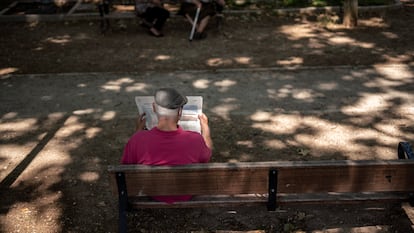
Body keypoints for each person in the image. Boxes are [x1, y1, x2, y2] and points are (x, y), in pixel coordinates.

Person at [121, 88, 213, 203]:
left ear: (154, 108)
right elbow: (206, 157)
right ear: (180, 113)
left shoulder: (138, 139)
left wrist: (138, 131)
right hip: (186, 194)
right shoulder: (195, 139)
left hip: (152, 193)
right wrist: (205, 128)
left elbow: (127, 166)